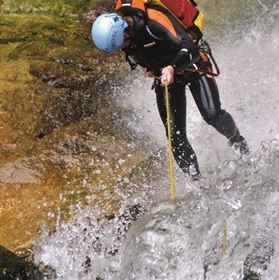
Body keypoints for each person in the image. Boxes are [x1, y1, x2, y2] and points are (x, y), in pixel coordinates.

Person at [91, 5, 248, 180]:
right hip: (165, 76)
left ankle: (239, 144)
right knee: (175, 136)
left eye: (122, 44)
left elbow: (190, 49)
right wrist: (149, 68)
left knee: (212, 115)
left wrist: (172, 68)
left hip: (192, 65)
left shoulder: (153, 22)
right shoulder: (123, 36)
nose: (122, 48)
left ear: (125, 32)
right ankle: (196, 181)